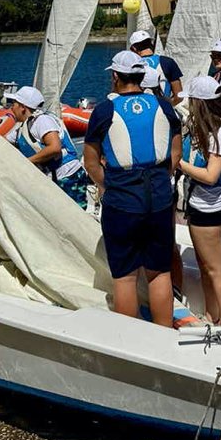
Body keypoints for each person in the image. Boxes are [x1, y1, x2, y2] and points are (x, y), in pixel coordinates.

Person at [82, 50, 182, 327]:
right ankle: (163, 333)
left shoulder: (104, 110)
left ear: (115, 76)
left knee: (125, 276)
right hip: (159, 196)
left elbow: (91, 161)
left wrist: (110, 185)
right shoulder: (164, 106)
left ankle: (130, 338)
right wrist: (160, 177)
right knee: (159, 272)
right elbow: (175, 153)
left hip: (122, 197)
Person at [176, 75, 221, 327]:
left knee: (215, 268)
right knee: (205, 266)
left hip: (209, 206)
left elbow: (211, 175)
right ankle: (212, 316)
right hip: (199, 203)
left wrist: (179, 164)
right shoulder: (212, 128)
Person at [2, 85, 90, 208]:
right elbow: (1, 142)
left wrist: (27, 162)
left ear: (22, 107)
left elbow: (54, 148)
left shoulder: (42, 121)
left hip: (68, 177)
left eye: (14, 103)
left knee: (73, 215)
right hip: (53, 178)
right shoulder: (21, 129)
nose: (11, 107)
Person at [129, 29, 184, 104]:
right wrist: (167, 107)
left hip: (138, 107)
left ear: (133, 48)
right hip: (162, 107)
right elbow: (179, 96)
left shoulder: (130, 65)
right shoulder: (168, 62)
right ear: (151, 44)